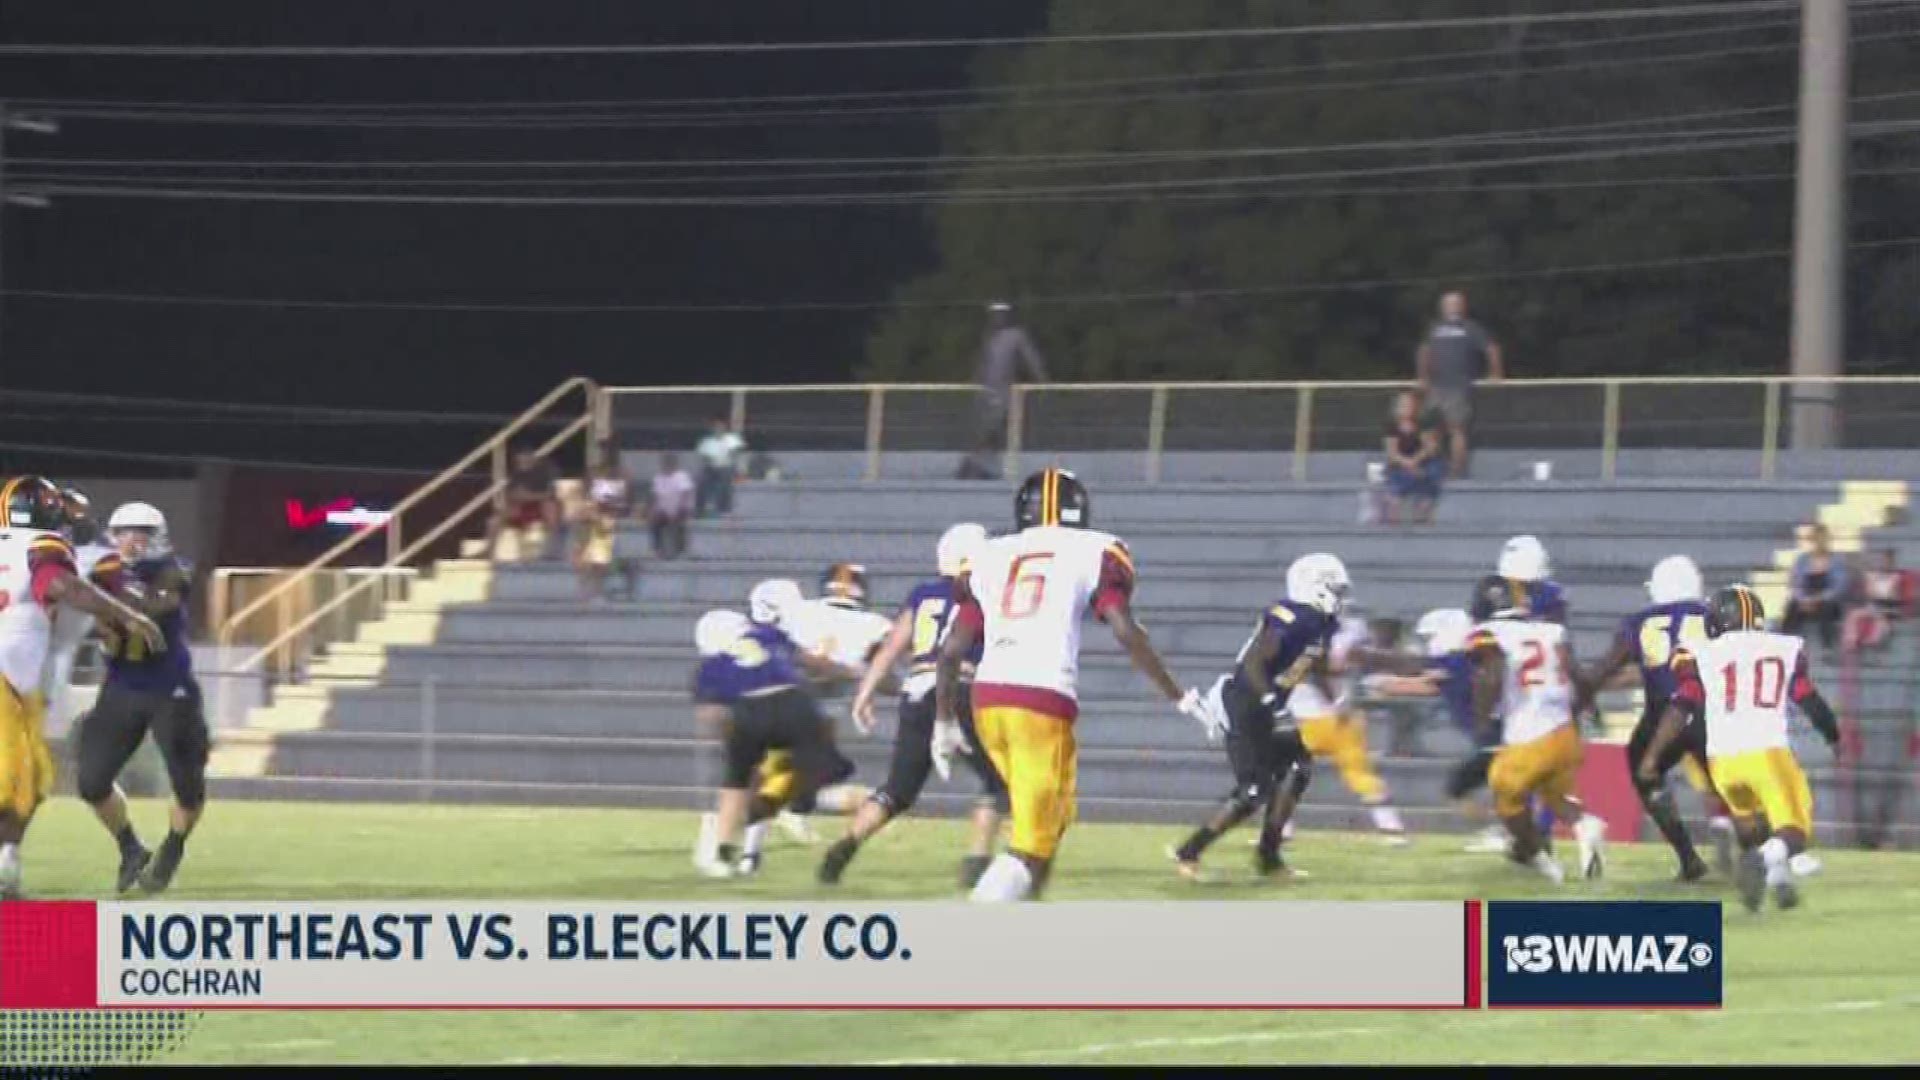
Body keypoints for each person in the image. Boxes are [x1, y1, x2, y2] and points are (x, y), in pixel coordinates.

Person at [938, 467, 1205, 901]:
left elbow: (951, 650)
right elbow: (1123, 628)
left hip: (985, 700)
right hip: (1040, 700)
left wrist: (944, 720)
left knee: (1049, 823)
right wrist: (1178, 695)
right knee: (1031, 843)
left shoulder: (990, 554)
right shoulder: (1094, 549)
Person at [821, 523, 1011, 889]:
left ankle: (844, 847)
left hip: (916, 689)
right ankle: (976, 861)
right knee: (999, 781)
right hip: (960, 688)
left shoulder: (923, 594)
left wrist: (865, 692)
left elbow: (893, 645)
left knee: (897, 789)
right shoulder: (986, 592)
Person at [0, 477, 162, 899]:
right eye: (63, 510)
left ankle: (7, 863)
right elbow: (64, 585)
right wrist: (127, 616)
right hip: (24, 674)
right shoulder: (47, 547)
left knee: (32, 779)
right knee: (14, 780)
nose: (72, 519)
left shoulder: (33, 546)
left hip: (31, 679)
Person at [1646, 585, 1841, 912]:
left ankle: (1778, 882)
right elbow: (1808, 698)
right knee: (1793, 832)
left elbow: (1683, 704)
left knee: (1751, 824)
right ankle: (1764, 862)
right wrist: (1833, 735)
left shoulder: (1700, 651)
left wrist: (1654, 754)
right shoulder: (1784, 647)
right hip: (1767, 753)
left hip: (1721, 761)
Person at [1170, 554, 1352, 880]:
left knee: (1298, 769)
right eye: (1335, 589)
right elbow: (1254, 662)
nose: (1340, 597)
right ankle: (1189, 852)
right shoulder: (1291, 616)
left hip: (1268, 705)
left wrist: (1335, 700)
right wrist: (1274, 704)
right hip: (1244, 702)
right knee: (1254, 791)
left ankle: (1268, 858)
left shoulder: (1321, 624)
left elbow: (1316, 661)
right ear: (1314, 587)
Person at [78, 501, 212, 895]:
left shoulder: (174, 568)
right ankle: (130, 847)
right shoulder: (105, 571)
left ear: (157, 537)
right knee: (91, 781)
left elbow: (156, 603)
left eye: (141, 532)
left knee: (188, 785)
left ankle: (174, 845)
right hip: (121, 688)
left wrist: (98, 594)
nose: (131, 540)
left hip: (171, 690)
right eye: (123, 532)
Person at [1577, 555, 1731, 881]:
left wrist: (1585, 692)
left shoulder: (1640, 621)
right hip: (1710, 713)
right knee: (1730, 780)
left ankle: (1689, 858)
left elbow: (1608, 666)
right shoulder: (1713, 614)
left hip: (1662, 716)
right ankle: (1752, 842)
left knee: (1644, 770)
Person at [688, 608, 854, 880]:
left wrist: (732, 743)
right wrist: (846, 671)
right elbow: (813, 662)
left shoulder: (711, 666)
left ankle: (721, 852)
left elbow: (711, 714)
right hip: (795, 704)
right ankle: (806, 801)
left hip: (748, 710)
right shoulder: (767, 635)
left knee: (736, 783)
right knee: (815, 772)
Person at [1465, 573, 1608, 884]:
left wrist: (1481, 715)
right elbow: (1580, 677)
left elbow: (1491, 674)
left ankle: (1542, 863)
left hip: (1528, 735)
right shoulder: (1551, 630)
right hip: (1565, 733)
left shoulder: (1489, 632)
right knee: (1557, 797)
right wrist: (1586, 710)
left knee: (1506, 797)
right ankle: (1585, 825)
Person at [752, 564, 895, 846]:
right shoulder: (873, 624)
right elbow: (885, 678)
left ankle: (785, 814)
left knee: (799, 773)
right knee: (807, 773)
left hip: (778, 698)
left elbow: (776, 646)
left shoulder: (800, 613)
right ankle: (750, 839)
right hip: (814, 705)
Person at [1281, 608, 1409, 846]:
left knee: (1286, 773)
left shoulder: (1306, 633)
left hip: (1311, 718)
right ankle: (1392, 828)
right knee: (1361, 775)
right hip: (1345, 717)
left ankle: (1281, 829)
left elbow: (1314, 669)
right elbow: (1362, 658)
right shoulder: (1351, 630)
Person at [1415, 290, 1504, 479]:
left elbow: (1491, 348)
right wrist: (1423, 377)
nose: (1452, 307)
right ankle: (1432, 468)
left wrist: (1495, 373)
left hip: (1458, 386)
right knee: (1429, 429)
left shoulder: (1471, 328)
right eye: (1448, 303)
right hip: (1435, 386)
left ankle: (1456, 472)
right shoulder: (1434, 328)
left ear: (1463, 306)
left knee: (1456, 428)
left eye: (1456, 303)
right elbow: (1424, 350)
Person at [957, 302, 1048, 481]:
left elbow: (1031, 358)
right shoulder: (988, 336)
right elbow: (981, 362)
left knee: (995, 430)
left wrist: (1042, 380)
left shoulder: (1016, 335)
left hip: (1004, 392)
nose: (997, 318)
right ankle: (977, 466)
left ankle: (980, 466)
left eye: (1001, 314)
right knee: (983, 431)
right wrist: (975, 385)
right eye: (994, 315)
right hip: (985, 392)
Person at [574, 457, 638, 602]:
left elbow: (625, 503)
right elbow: (587, 502)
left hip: (611, 521)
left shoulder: (623, 477)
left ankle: (599, 588)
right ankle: (590, 588)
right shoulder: (593, 476)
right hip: (596, 523)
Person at [1381, 391, 1445, 524]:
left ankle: (1423, 512)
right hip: (1401, 464)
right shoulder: (1392, 427)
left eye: (1410, 404)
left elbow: (1430, 448)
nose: (1407, 407)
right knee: (1395, 481)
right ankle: (1394, 520)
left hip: (1421, 462)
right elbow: (1392, 453)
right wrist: (1408, 463)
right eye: (1403, 404)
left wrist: (1415, 461)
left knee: (1431, 471)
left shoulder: (1423, 424)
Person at [1782, 523, 1848, 652]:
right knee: (1791, 608)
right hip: (1805, 600)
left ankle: (1828, 648)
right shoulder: (1802, 560)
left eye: (1822, 539)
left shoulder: (1836, 560)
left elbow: (1839, 587)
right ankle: (1787, 645)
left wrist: (1818, 598)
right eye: (1816, 539)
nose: (1819, 543)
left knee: (1827, 610)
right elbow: (1795, 583)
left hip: (1826, 600)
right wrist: (1803, 599)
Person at [488, 447, 562, 561]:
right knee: (494, 520)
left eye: (524, 460)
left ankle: (552, 550)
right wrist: (526, 497)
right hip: (522, 507)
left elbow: (550, 494)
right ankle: (490, 554)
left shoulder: (545, 472)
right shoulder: (516, 473)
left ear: (532, 458)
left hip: (541, 507)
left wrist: (528, 496)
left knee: (550, 506)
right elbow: (512, 495)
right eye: (519, 461)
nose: (521, 463)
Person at [647, 453, 696, 560]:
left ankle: (681, 551)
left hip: (680, 509)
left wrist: (677, 511)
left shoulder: (682, 476)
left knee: (677, 523)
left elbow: (685, 494)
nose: (666, 466)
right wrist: (652, 510)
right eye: (664, 464)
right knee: (654, 523)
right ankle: (658, 550)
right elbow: (655, 496)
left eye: (669, 464)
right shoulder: (658, 478)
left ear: (674, 464)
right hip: (664, 510)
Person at [694, 419, 747, 518]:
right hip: (711, 467)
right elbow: (704, 459)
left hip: (727, 467)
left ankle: (722, 508)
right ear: (712, 429)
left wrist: (741, 470)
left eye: (721, 427)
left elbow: (737, 456)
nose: (718, 429)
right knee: (701, 479)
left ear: (725, 428)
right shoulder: (707, 441)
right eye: (716, 427)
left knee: (724, 476)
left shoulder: (732, 440)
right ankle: (700, 509)